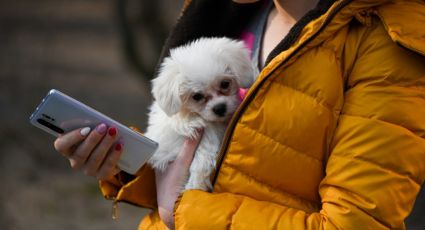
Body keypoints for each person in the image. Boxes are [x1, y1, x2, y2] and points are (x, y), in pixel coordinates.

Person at [54, 0, 425, 229]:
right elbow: (213, 160)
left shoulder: (383, 43)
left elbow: (354, 224)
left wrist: (182, 212)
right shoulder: (225, 14)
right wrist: (123, 165)